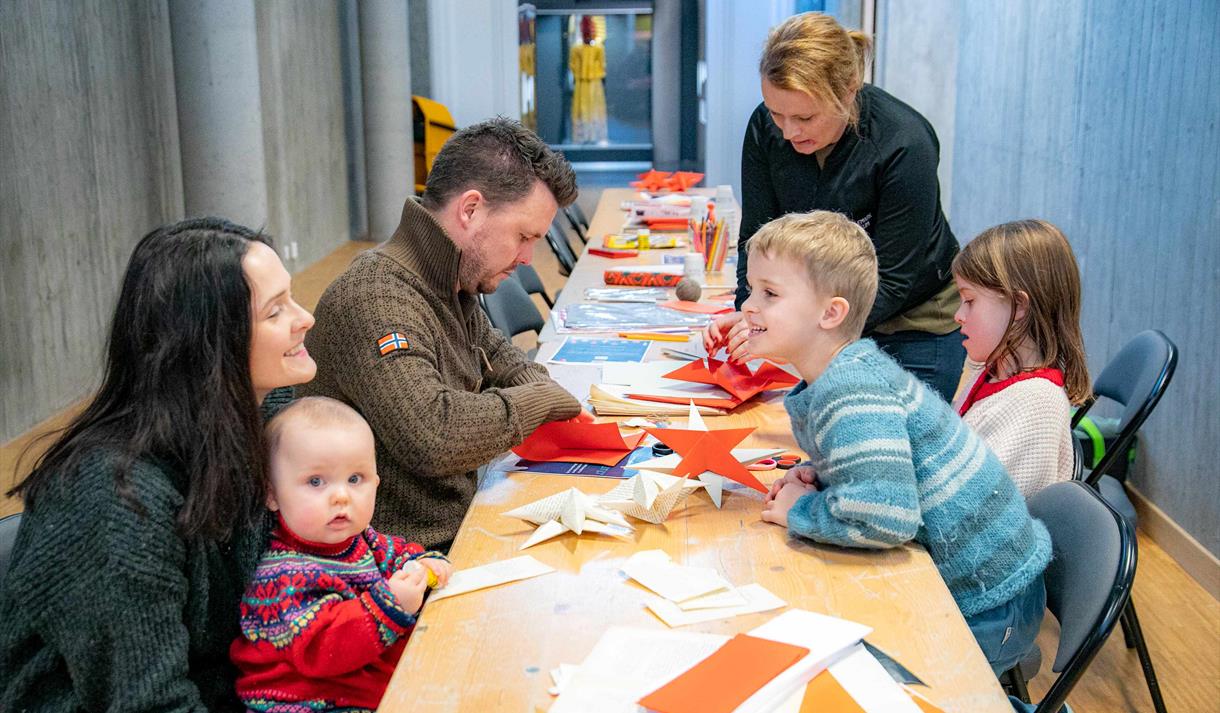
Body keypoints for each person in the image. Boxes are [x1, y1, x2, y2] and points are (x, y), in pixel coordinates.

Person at [0, 218, 316, 710]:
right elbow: (151, 702)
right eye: (276, 311)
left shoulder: (264, 418)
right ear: (210, 344)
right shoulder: (114, 498)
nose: (306, 318)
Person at [735, 211, 1050, 676]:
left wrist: (798, 512)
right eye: (751, 288)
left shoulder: (851, 391)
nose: (747, 305)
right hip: (979, 586)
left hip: (988, 604)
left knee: (833, 679)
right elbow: (884, 473)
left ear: (831, 313)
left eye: (770, 293)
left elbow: (884, 520)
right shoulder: (841, 376)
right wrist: (826, 479)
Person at [301, 118, 584, 552]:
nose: (528, 258)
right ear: (470, 209)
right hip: (402, 567)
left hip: (461, 528)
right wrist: (542, 400)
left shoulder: (452, 279)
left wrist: (549, 393)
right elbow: (434, 435)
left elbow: (501, 359)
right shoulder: (376, 295)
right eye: (523, 236)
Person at [707, 12, 965, 402]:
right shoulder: (766, 128)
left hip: (912, 326)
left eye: (805, 117)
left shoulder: (903, 144)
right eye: (777, 113)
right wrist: (750, 313)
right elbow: (757, 240)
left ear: (848, 90)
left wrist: (790, 327)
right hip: (818, 321)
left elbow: (893, 280)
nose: (788, 131)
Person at [231, 397, 452, 711]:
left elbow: (398, 553)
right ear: (272, 494)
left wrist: (422, 564)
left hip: (359, 686)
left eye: (355, 479)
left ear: (376, 483)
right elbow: (323, 648)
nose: (340, 496)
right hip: (305, 701)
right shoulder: (284, 574)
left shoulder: (362, 540)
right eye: (316, 481)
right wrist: (391, 603)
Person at [951, 220, 1091, 497]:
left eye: (969, 301)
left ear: (1019, 307)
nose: (958, 315)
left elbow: (977, 504)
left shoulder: (1036, 402)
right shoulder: (992, 371)